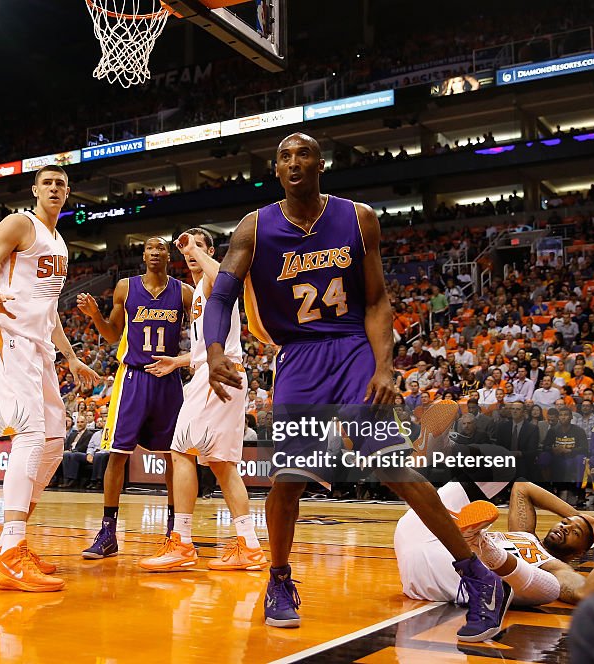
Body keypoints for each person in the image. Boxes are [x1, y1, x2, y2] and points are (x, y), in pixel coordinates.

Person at [202, 133, 507, 641]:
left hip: (351, 351)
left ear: (321, 164)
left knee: (395, 469)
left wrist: (384, 367)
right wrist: (214, 352)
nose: (293, 162)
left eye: (302, 154)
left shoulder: (358, 217)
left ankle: (478, 578)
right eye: (283, 157)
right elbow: (221, 295)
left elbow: (378, 300)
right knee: (288, 479)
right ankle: (279, 580)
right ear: (275, 170)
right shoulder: (254, 228)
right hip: (297, 357)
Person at [0, 164, 100, 592]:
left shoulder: (59, 240)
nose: (55, 188)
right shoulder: (19, 224)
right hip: (10, 340)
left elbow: (50, 310)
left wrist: (72, 357)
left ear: (69, 191)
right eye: (48, 183)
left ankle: (15, 543)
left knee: (54, 446)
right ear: (35, 189)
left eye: (61, 183)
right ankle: (9, 552)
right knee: (29, 436)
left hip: (40, 349)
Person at [139, 228, 267, 572]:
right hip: (212, 372)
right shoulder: (199, 291)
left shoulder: (217, 282)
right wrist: (179, 361)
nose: (191, 252)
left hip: (219, 375)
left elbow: (227, 278)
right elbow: (203, 349)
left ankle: (181, 542)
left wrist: (197, 249)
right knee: (222, 465)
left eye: (199, 245)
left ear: (212, 250)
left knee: (181, 450)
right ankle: (249, 545)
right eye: (186, 248)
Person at [77, 237, 192, 559]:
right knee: (117, 454)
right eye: (150, 248)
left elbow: (203, 329)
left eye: (160, 248)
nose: (155, 252)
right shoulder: (125, 288)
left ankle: (175, 532)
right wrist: (95, 316)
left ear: (169, 256)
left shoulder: (183, 292)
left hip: (169, 379)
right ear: (143, 255)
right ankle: (108, 531)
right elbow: (113, 335)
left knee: (174, 455)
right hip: (133, 378)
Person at [396, 480, 594, 607]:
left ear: (579, 553)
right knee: (503, 466)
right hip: (414, 542)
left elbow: (587, 592)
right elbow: (524, 487)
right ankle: (417, 458)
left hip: (448, 575)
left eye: (574, 532)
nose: (565, 527)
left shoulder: (556, 569)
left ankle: (470, 539)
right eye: (565, 522)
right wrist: (585, 518)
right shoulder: (524, 535)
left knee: (546, 587)